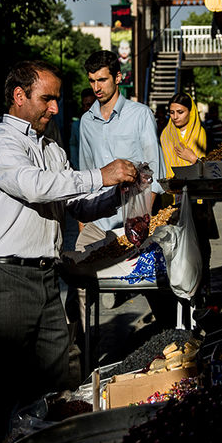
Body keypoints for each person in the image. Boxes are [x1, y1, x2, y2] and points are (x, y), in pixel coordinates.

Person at [0, 60, 136, 443]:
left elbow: (75, 202)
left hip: (47, 278)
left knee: (54, 380)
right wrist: (101, 174)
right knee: (3, 384)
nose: (55, 108)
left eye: (57, 100)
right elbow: (35, 186)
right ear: (19, 96)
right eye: (47, 99)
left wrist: (121, 193)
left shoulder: (51, 148)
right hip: (6, 278)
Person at [70, 50, 167, 365]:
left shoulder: (140, 114)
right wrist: (84, 223)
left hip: (135, 218)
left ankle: (172, 343)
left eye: (102, 79)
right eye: (92, 81)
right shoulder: (85, 122)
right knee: (80, 285)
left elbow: (153, 172)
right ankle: (86, 360)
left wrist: (145, 220)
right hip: (98, 219)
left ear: (117, 77)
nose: (96, 87)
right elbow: (86, 172)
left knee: (154, 285)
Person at [160, 92, 218, 305]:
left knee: (201, 250)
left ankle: (204, 300)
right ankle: (181, 301)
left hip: (198, 202)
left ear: (191, 112)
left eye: (180, 112)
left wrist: (194, 159)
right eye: (172, 112)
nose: (175, 117)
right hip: (173, 200)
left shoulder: (202, 135)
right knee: (176, 252)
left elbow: (215, 167)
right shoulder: (165, 135)